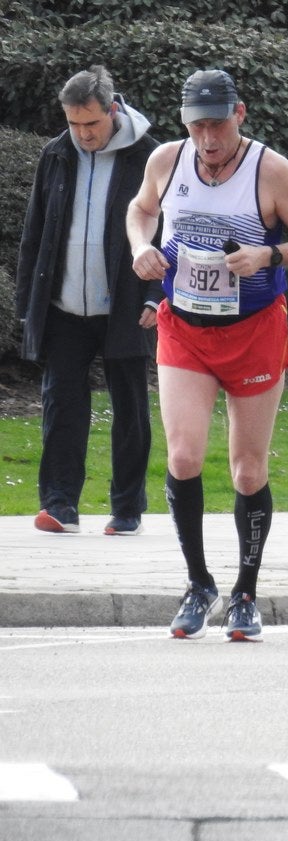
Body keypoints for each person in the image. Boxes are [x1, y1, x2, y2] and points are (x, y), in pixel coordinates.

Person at [126, 69, 288, 641]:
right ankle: (198, 585)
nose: (209, 138)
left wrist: (268, 255)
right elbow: (140, 210)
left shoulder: (269, 169)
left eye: (218, 124)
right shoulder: (167, 161)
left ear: (239, 114)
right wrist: (142, 246)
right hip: (185, 328)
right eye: (198, 125)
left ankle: (245, 593)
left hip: (253, 331)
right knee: (184, 456)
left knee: (247, 469)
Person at [16, 65, 159, 537]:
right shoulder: (56, 154)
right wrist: (28, 305)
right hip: (63, 309)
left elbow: (172, 231)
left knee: (131, 409)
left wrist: (156, 296)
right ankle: (59, 505)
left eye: (91, 124)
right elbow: (35, 233)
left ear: (113, 111)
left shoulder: (150, 156)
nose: (82, 134)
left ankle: (127, 509)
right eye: (74, 124)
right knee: (61, 404)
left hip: (127, 305)